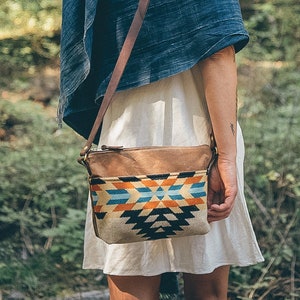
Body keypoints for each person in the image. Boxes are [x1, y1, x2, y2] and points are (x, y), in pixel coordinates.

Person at [59, 0, 264, 299]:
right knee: (206, 286)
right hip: (202, 133)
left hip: (126, 134)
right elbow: (218, 52)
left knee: (132, 279)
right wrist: (227, 158)